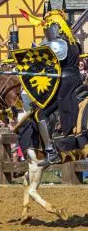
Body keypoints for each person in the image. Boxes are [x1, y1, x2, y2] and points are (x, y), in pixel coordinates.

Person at [35, 10, 83, 166]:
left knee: (41, 113)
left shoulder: (58, 44)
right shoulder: (74, 43)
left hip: (64, 84)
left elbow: (45, 63)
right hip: (76, 81)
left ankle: (51, 152)